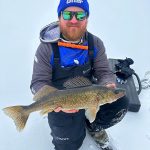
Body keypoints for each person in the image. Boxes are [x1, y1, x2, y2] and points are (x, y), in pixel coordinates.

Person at [30, 0, 129, 150]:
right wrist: (53, 102)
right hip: (60, 103)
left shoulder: (95, 43)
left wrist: (108, 83)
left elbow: (103, 72)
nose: (74, 20)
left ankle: (93, 125)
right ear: (59, 17)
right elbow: (38, 82)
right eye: (68, 14)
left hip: (89, 93)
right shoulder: (46, 48)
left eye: (80, 15)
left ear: (87, 18)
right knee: (68, 146)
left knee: (120, 103)